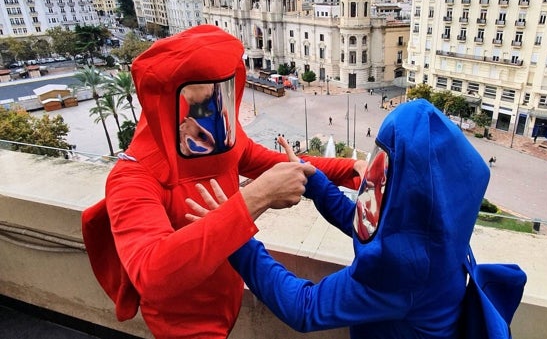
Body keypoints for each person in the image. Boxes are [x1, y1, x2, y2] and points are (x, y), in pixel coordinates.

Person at [81, 25, 366, 338]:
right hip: (183, 324)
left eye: (221, 98)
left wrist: (353, 168)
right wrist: (256, 198)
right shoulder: (132, 178)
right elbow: (152, 273)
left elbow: (281, 164)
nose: (214, 116)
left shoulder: (219, 142)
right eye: (202, 105)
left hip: (226, 299)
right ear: (169, 107)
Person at [188, 99, 491, 338]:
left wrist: (235, 238)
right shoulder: (435, 231)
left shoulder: (404, 274)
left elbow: (305, 308)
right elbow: (362, 224)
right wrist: (314, 179)